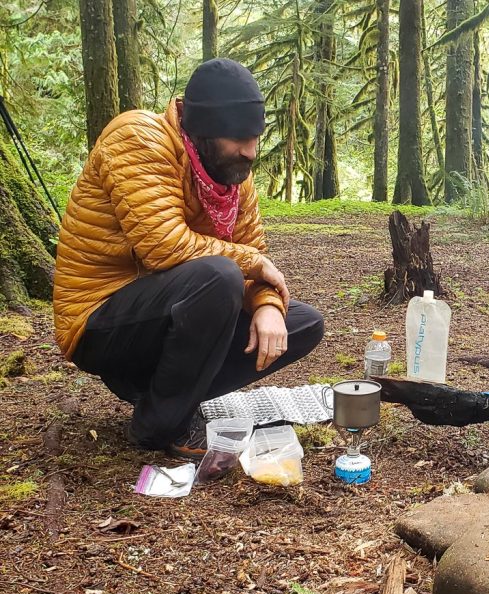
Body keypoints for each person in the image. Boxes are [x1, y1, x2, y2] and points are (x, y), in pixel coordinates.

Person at [53, 58, 324, 457]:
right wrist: (251, 264)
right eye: (238, 138)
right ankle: (160, 425)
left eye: (255, 136)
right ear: (202, 131)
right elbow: (163, 245)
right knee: (219, 277)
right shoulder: (139, 138)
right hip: (100, 318)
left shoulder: (232, 176)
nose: (250, 152)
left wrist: (267, 304)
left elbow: (252, 251)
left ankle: (164, 391)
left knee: (300, 324)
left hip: (168, 314)